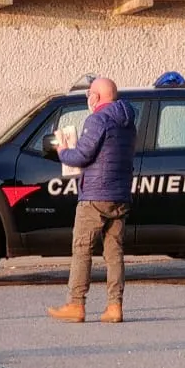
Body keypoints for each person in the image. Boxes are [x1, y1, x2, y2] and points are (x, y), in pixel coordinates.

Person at [46, 76, 136, 323]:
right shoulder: (128, 122)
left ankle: (76, 304)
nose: (88, 99)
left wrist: (63, 151)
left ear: (96, 96)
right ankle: (114, 306)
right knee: (114, 253)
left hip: (95, 195)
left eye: (89, 95)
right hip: (120, 194)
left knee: (82, 249)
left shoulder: (97, 119)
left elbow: (83, 155)